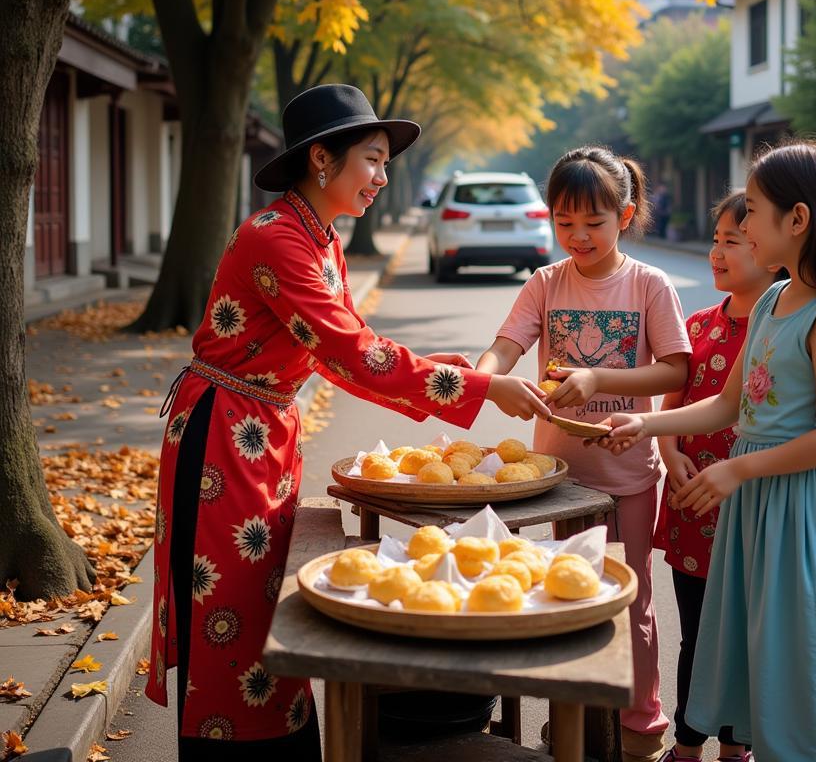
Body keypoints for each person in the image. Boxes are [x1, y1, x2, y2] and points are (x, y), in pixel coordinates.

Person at [145, 84, 549, 759]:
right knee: (233, 621)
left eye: (387, 162)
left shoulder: (319, 236)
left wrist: (472, 382)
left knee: (271, 615)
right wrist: (480, 387)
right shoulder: (273, 238)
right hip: (223, 440)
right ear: (323, 161)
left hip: (265, 431)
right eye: (373, 159)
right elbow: (353, 355)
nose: (383, 178)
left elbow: (348, 350)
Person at [601, 139, 816, 762]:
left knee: (798, 654)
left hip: (802, 507)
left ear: (797, 220)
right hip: (756, 503)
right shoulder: (771, 305)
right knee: (747, 647)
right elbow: (727, 407)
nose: (743, 225)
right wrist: (648, 425)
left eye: (752, 211)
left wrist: (737, 467)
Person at [475, 146, 691, 762]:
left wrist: (600, 380)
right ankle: (575, 719)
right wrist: (484, 379)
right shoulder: (545, 282)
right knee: (563, 598)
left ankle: (639, 723)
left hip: (627, 475)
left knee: (632, 602)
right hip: (560, 479)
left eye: (593, 223)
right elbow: (506, 345)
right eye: (564, 222)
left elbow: (675, 369)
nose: (578, 236)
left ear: (625, 215)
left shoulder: (649, 284)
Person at [651, 191, 776, 762]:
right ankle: (684, 744)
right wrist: (669, 450)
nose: (716, 253)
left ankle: (737, 745)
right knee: (697, 635)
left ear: (773, 251)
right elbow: (672, 402)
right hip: (692, 511)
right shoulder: (697, 325)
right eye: (716, 240)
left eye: (734, 242)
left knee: (748, 639)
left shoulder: (782, 330)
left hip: (752, 510)